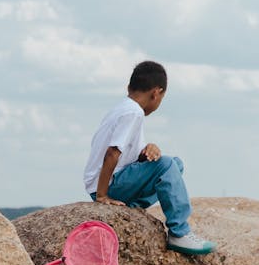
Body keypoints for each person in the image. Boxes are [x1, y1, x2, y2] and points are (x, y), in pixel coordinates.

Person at [83, 60, 216, 255]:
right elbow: (112, 152)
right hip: (107, 185)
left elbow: (126, 154)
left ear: (130, 86)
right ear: (156, 93)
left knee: (175, 165)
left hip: (111, 181)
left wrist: (147, 150)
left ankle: (132, 206)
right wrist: (102, 196)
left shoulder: (123, 108)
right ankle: (179, 233)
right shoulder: (133, 112)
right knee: (167, 165)